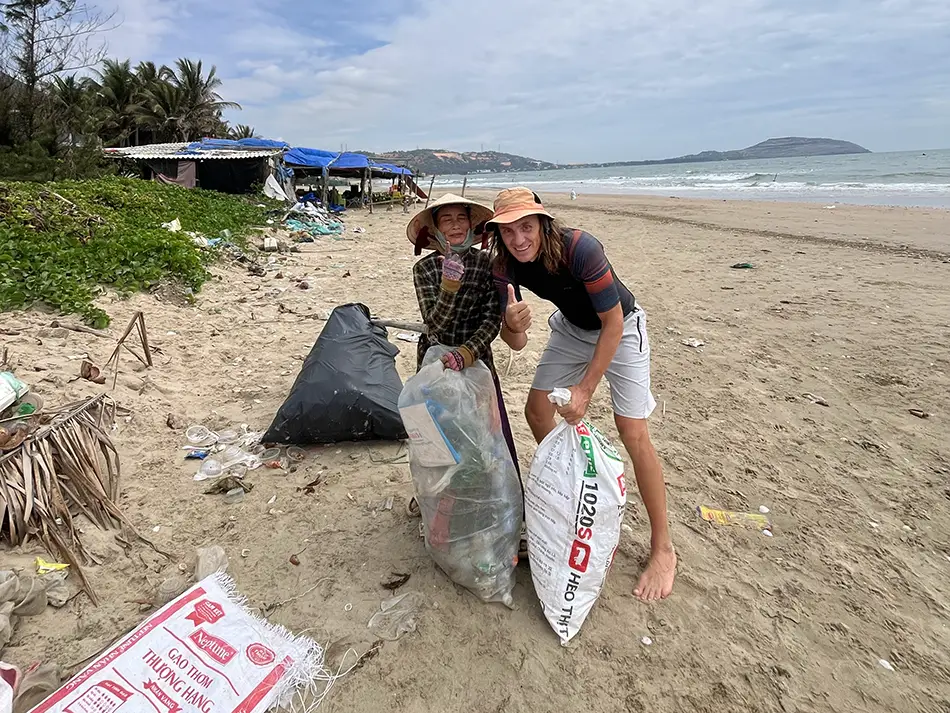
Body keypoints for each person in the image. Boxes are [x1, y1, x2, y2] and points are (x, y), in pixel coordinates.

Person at [487, 187, 676, 601]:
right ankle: (573, 487)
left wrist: (584, 390)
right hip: (572, 328)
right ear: (498, 234)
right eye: (508, 231)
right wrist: (513, 324)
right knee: (537, 411)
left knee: (632, 430)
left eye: (526, 227)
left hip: (620, 327)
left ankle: (663, 548)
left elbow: (612, 324)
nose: (519, 239)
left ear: (542, 223)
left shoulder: (580, 249)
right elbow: (515, 344)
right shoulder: (502, 265)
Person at [406, 193, 520, 475]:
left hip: (478, 358)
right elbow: (437, 326)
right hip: (436, 360)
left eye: (461, 218)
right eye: (447, 219)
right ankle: (439, 495)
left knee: (485, 431)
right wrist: (449, 285)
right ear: (434, 229)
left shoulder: (487, 263)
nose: (455, 225)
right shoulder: (424, 268)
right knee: (441, 432)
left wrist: (468, 352)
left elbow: (492, 317)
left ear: (471, 225)